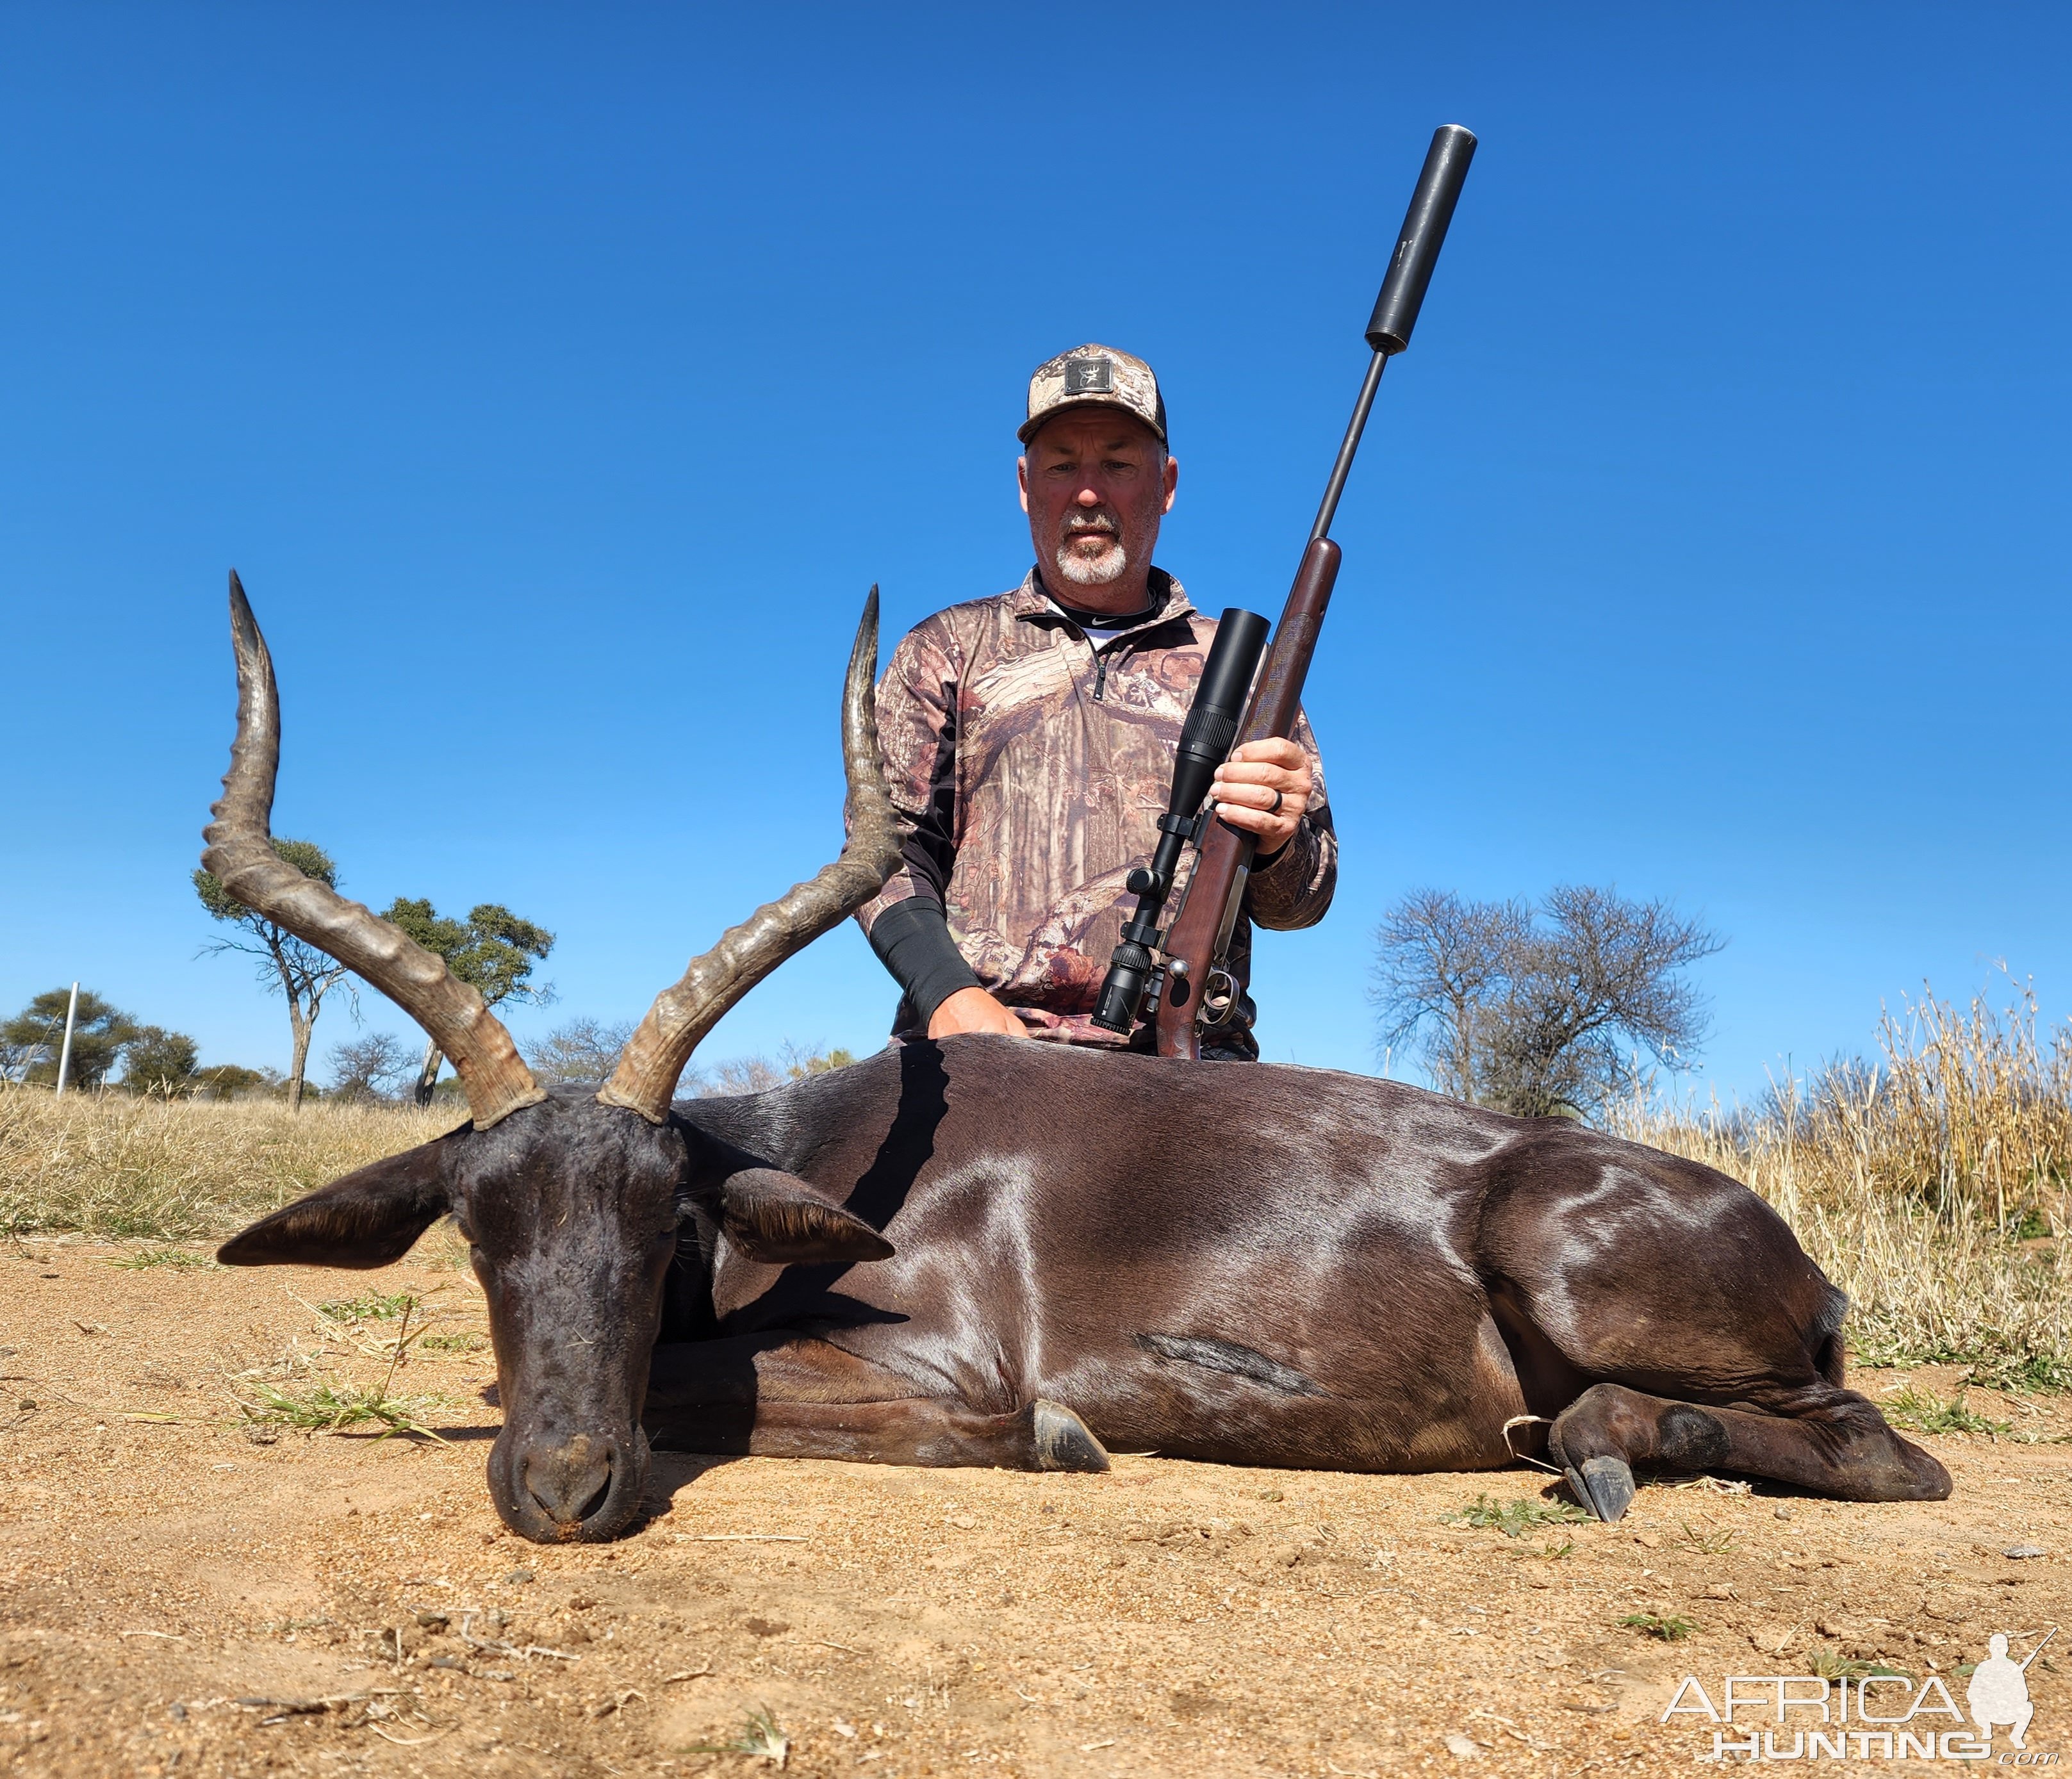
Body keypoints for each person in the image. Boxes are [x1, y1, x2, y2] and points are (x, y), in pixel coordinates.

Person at [857, 344, 1336, 1060]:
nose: (1088, 493)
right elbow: (882, 856)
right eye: (1061, 465)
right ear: (1025, 484)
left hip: (1189, 1064)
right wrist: (950, 994)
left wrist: (1278, 840)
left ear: (1166, 483)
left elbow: (1303, 902)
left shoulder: (1244, 672)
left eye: (1118, 463)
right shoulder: (947, 647)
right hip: (980, 1050)